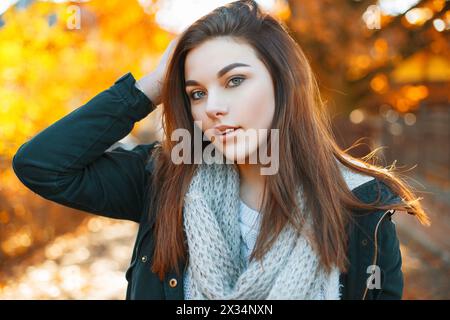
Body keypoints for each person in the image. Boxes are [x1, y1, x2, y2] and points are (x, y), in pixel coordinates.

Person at [12, 0, 429, 300]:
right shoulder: (165, 177)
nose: (211, 106)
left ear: (284, 84)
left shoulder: (361, 206)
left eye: (233, 81)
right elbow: (41, 165)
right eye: (195, 92)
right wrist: (151, 86)